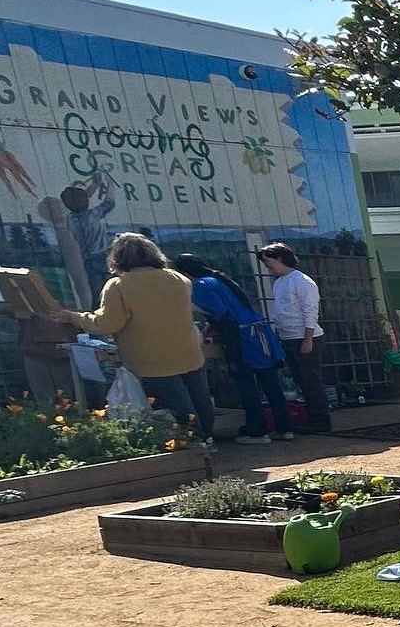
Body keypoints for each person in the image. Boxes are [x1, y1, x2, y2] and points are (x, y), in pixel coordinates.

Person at [53, 232, 215, 446]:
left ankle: (195, 445)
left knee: (177, 405)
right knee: (200, 398)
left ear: (117, 258)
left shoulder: (118, 285)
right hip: (189, 351)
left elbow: (107, 324)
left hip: (151, 358)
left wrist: (72, 317)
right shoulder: (179, 279)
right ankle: (208, 439)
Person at [173, 254, 294, 446]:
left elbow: (219, 311)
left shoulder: (201, 285)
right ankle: (284, 427)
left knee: (246, 383)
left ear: (185, 273)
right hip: (259, 332)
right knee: (270, 382)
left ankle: (257, 431)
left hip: (243, 337)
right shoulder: (219, 279)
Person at [257, 243, 331, 434]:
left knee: (311, 380)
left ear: (280, 258)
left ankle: (321, 420)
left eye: (268, 261)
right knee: (300, 379)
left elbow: (310, 312)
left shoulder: (302, 282)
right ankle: (311, 416)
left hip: (305, 337)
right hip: (288, 337)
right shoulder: (280, 282)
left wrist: (308, 339)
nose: (267, 266)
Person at [61, 177, 116, 302]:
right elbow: (110, 202)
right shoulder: (92, 215)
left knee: (97, 293)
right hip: (103, 257)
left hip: (88, 259)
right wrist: (110, 184)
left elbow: (80, 200)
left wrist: (95, 184)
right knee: (115, 287)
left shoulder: (70, 220)